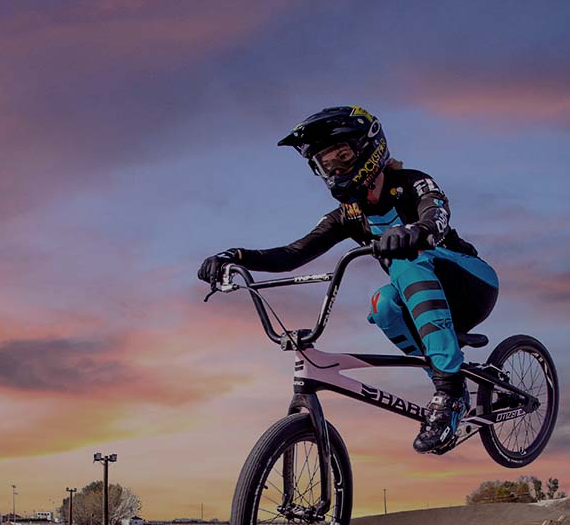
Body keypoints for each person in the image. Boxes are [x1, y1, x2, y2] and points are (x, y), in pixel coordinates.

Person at [198, 106, 498, 453]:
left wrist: (417, 230)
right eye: (328, 163)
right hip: (419, 297)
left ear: (369, 150)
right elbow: (292, 253)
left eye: (344, 155)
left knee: (404, 264)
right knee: (383, 305)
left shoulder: (411, 182)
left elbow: (437, 214)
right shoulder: (348, 215)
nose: (337, 168)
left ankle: (448, 389)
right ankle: (446, 380)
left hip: (471, 284)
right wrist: (235, 256)